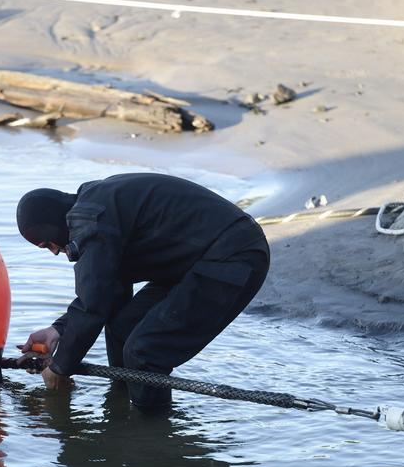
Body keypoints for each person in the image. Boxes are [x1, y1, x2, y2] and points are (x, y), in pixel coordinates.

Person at [15, 173, 270, 410]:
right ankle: (121, 409)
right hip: (196, 261)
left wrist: (60, 368)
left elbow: (92, 304)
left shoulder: (89, 220)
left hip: (234, 256)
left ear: (54, 222)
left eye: (48, 243)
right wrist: (57, 330)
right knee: (123, 326)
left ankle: (150, 436)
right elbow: (105, 290)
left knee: (145, 352)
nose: (56, 251)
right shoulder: (95, 209)